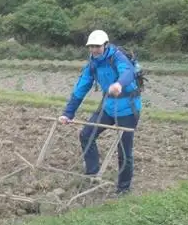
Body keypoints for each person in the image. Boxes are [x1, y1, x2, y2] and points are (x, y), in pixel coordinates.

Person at [58, 29, 142, 197]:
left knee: (124, 148)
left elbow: (128, 72)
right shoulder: (93, 64)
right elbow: (81, 87)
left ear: (105, 45)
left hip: (128, 107)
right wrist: (68, 113)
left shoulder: (116, 57)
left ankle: (123, 189)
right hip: (108, 105)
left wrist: (119, 84)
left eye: (97, 46)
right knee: (86, 134)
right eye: (91, 47)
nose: (94, 50)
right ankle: (92, 173)